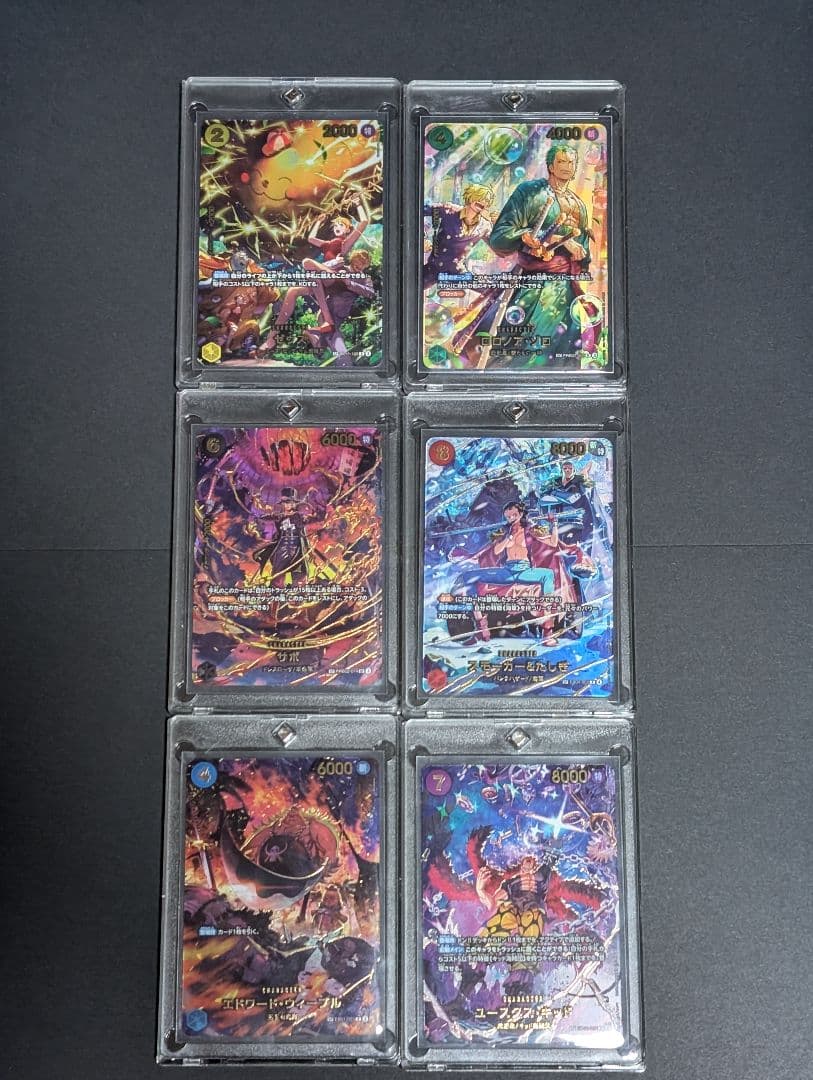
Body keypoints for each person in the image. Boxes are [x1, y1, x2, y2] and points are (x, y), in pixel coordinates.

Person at [423, 183, 496, 288]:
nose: (484, 202)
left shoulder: (485, 225)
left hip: (457, 271)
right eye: (481, 197)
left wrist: (500, 226)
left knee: (486, 288)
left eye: (487, 201)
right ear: (471, 197)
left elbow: (498, 245)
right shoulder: (449, 211)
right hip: (434, 268)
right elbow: (420, 210)